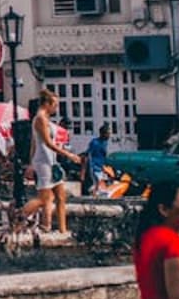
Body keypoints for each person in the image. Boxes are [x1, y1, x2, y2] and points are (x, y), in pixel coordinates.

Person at [17, 90, 81, 234]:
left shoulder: (43, 118)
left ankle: (63, 230)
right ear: (47, 104)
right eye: (55, 105)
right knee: (43, 199)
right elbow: (46, 143)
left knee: (60, 197)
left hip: (51, 162)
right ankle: (19, 216)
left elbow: (34, 143)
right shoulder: (40, 119)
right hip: (44, 162)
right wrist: (68, 155)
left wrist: (30, 162)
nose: (56, 108)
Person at [87, 124, 113, 197]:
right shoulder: (94, 142)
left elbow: (104, 153)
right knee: (97, 181)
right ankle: (93, 195)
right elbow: (89, 154)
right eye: (108, 133)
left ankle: (95, 194)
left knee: (100, 182)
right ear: (102, 133)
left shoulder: (105, 142)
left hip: (101, 166)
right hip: (94, 166)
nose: (109, 136)